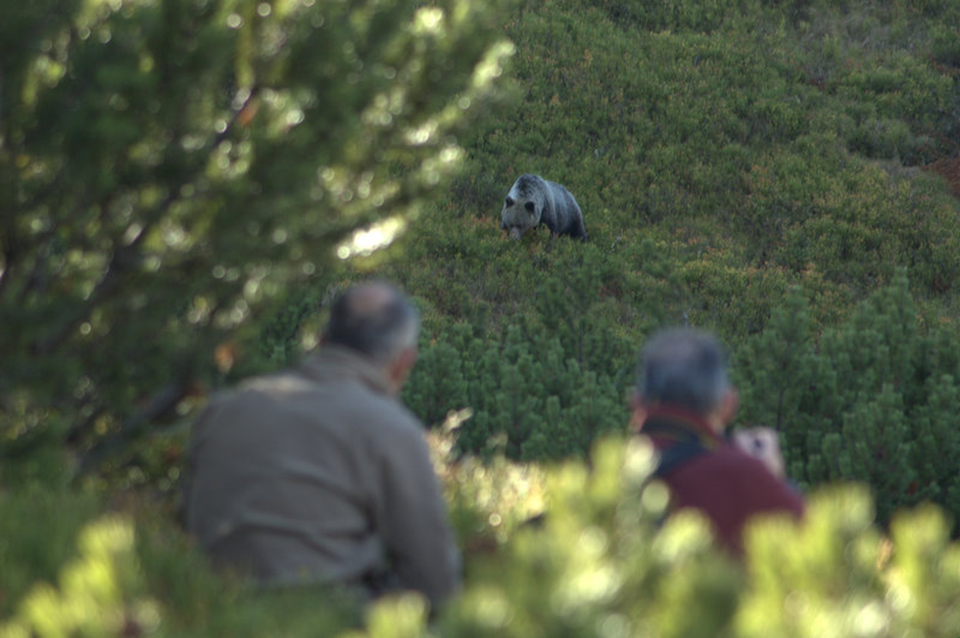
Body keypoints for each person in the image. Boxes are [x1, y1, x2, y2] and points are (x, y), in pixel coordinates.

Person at [181, 281, 460, 608]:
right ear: (403, 363)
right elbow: (435, 582)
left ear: (322, 341)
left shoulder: (222, 410)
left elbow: (187, 525)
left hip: (209, 617)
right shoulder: (392, 430)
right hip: (326, 619)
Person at [631, 327, 804, 557]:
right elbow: (819, 552)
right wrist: (773, 478)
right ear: (728, 404)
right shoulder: (741, 477)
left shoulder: (602, 479)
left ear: (636, 403)